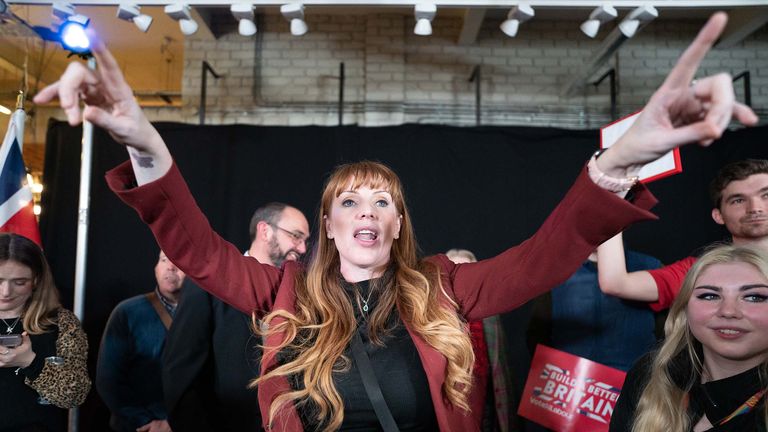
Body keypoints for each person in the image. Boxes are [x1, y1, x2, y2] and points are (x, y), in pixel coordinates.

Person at [34, 12, 758, 432]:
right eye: (349, 200)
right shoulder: (279, 290)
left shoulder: (448, 286)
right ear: (327, 223)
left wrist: (622, 157)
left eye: (383, 200)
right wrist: (143, 141)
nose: (368, 210)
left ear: (400, 223)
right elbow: (192, 247)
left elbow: (548, 252)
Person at [162, 202, 309, 432]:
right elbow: (181, 371)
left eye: (304, 240)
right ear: (265, 230)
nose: (302, 249)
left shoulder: (302, 294)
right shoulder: (205, 286)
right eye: (296, 236)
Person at [609, 244, 768, 432]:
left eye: (754, 297)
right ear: (685, 309)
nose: (728, 311)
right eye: (709, 296)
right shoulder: (649, 375)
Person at [598, 159, 768, 311]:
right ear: (718, 216)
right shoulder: (699, 271)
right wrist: (613, 202)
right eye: (738, 200)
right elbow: (617, 283)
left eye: (766, 196)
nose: (755, 208)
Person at [0, 233, 90, 432]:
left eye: (19, 282)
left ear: (36, 280)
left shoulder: (62, 323)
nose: (6, 292)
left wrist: (31, 363)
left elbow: (74, 395)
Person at [529, 247, 661, 372]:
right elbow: (536, 334)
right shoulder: (555, 272)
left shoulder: (651, 268)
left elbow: (669, 337)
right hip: (569, 387)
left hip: (635, 388)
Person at [96, 251, 185, 432]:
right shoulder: (127, 312)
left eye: (178, 260)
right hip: (137, 426)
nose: (170, 267)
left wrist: (178, 423)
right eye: (163, 260)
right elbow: (108, 380)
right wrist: (146, 422)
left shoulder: (208, 312)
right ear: (155, 269)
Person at [446, 248, 515, 432]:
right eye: (455, 271)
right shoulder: (433, 317)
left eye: (468, 271)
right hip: (450, 406)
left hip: (485, 405)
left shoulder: (490, 315)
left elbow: (501, 365)